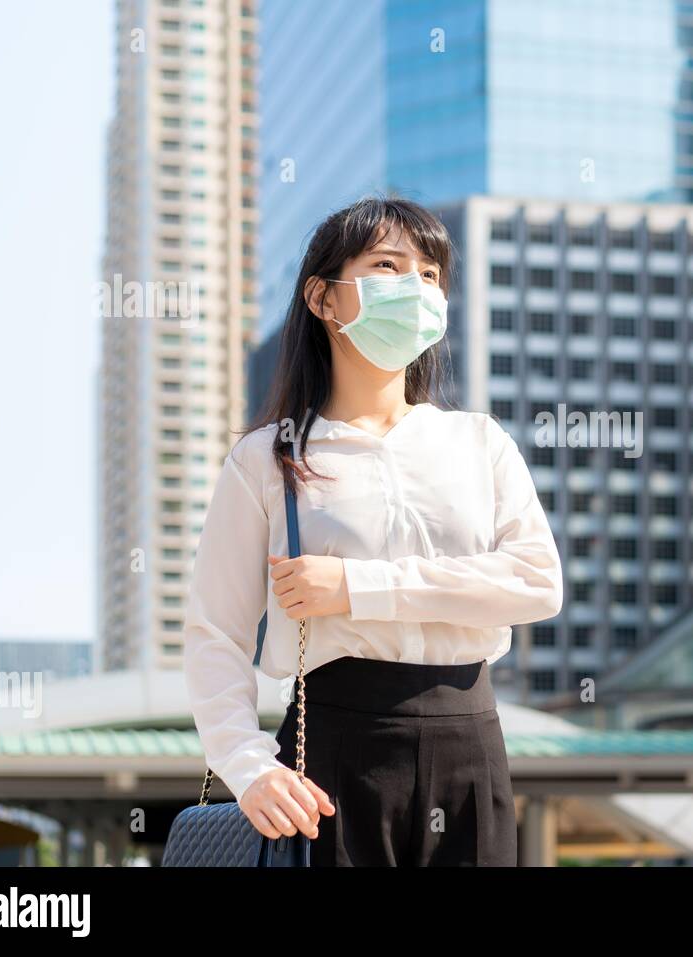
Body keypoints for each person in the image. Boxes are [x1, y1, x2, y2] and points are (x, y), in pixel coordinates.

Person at [182, 195, 564, 866]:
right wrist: (249, 767)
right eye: (389, 265)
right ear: (324, 299)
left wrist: (360, 587)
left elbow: (536, 583)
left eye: (429, 273)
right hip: (331, 750)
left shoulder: (478, 441)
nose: (416, 287)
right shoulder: (269, 458)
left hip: (471, 740)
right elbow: (215, 632)